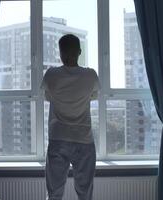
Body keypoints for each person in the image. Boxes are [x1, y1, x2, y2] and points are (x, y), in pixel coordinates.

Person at [41, 34, 100, 200]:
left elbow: (47, 96)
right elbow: (94, 96)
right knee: (85, 193)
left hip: (58, 138)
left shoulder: (51, 75)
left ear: (60, 53)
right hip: (84, 139)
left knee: (54, 193)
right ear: (79, 52)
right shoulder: (90, 75)